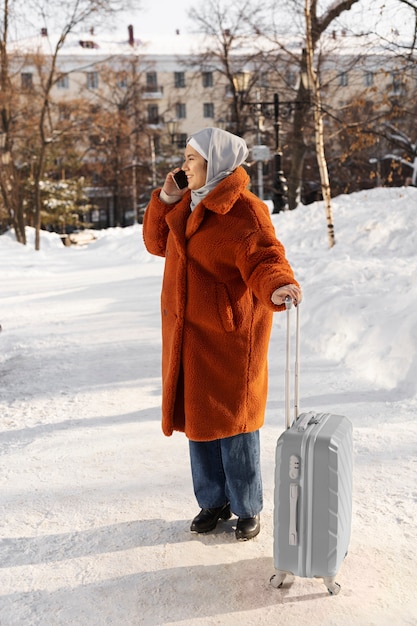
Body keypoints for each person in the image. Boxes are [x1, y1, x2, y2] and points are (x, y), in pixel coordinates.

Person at [143, 127, 302, 541]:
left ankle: (247, 507)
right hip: (190, 335)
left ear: (214, 163)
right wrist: (166, 199)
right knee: (199, 424)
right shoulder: (186, 205)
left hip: (230, 338)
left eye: (191, 159)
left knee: (235, 425)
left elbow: (265, 256)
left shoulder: (244, 209)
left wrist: (278, 284)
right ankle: (213, 502)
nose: (184, 166)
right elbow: (155, 243)